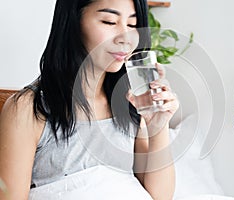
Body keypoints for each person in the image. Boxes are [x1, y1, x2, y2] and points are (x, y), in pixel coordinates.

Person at [0, 0, 179, 199]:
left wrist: (158, 128)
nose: (125, 37)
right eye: (109, 22)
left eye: (132, 25)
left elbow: (159, 196)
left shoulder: (129, 103)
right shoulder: (28, 109)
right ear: (73, 23)